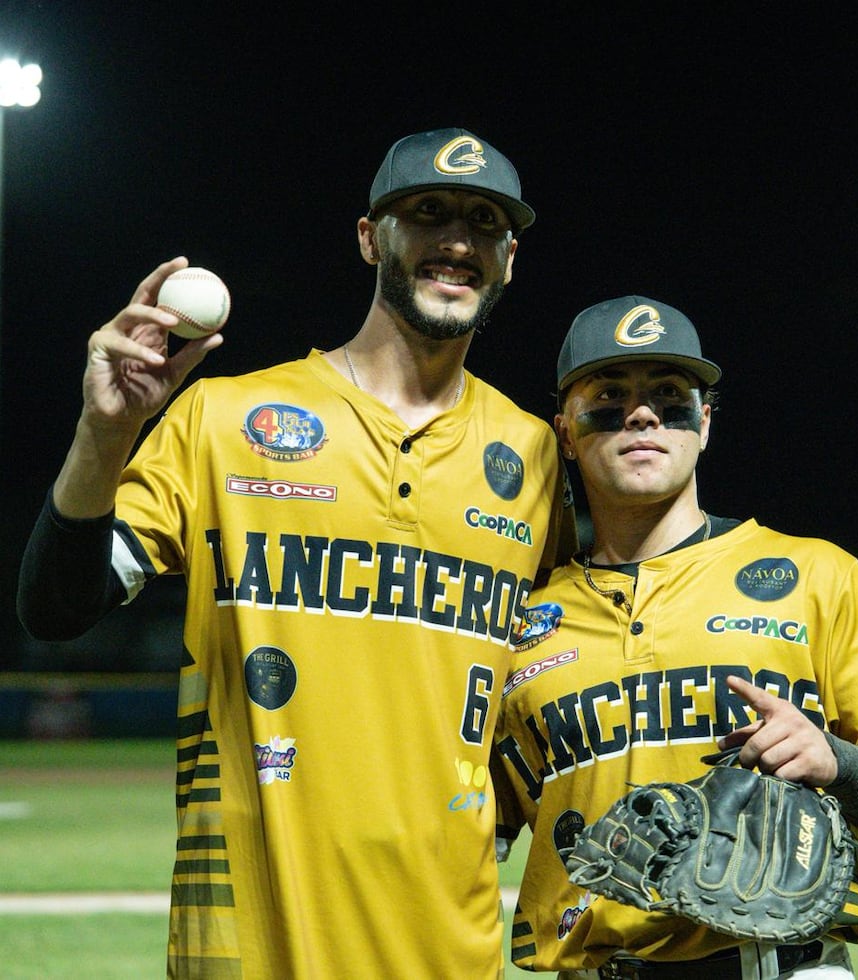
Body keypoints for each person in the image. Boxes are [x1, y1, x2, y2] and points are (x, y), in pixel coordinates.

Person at [17, 127, 578, 979]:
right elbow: (57, 608)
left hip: (447, 951)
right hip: (249, 948)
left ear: (509, 260)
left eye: (485, 223)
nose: (458, 240)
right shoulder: (224, 421)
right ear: (369, 238)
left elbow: (552, 674)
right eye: (427, 213)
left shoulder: (535, 457)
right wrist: (107, 432)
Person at [493, 295, 858, 979]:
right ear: (565, 432)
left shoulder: (817, 578)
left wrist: (838, 762)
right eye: (608, 395)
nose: (642, 413)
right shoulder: (521, 627)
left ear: (705, 423)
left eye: (669, 394)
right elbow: (472, 830)